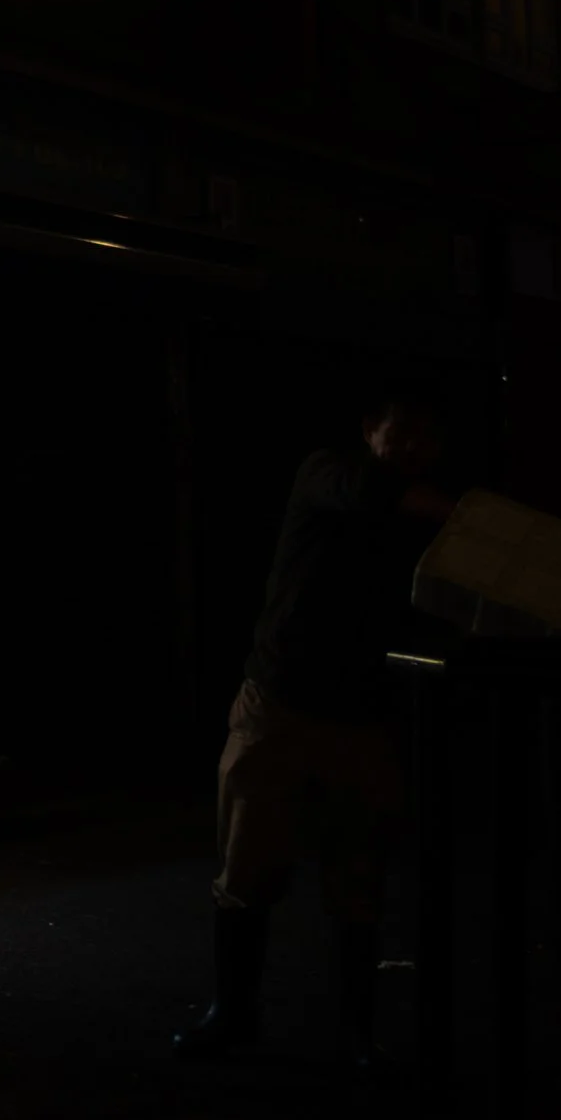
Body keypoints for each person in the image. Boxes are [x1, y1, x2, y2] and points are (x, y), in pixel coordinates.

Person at [174, 391, 455, 1065]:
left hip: (360, 718)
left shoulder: (422, 509)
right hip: (279, 706)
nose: (413, 446)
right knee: (247, 868)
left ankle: (355, 1033)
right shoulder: (328, 471)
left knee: (357, 880)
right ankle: (233, 1012)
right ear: (370, 431)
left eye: (427, 436)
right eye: (402, 432)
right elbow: (369, 492)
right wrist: (472, 521)